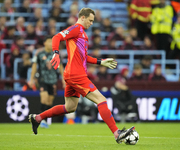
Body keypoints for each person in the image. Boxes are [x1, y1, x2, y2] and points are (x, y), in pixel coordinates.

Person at [29, 8, 135, 144]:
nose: (91, 23)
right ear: (83, 17)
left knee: (70, 107)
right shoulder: (76, 29)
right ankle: (116, 133)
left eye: (93, 21)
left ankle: (37, 118)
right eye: (90, 20)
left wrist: (100, 62)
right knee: (101, 100)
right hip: (75, 74)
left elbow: (84, 57)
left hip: (72, 74)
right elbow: (57, 37)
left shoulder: (83, 35)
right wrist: (56, 52)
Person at [29, 36, 65, 128]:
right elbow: (34, 66)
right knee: (44, 99)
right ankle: (40, 120)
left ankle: (44, 119)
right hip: (43, 80)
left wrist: (63, 80)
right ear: (45, 43)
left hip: (53, 81)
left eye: (52, 42)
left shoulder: (56, 54)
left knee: (49, 102)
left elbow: (60, 67)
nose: (50, 44)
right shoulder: (39, 53)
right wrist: (31, 79)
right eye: (49, 42)